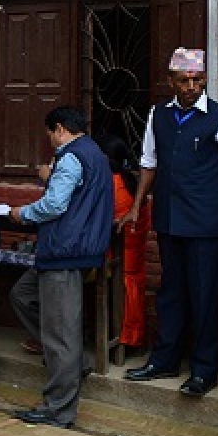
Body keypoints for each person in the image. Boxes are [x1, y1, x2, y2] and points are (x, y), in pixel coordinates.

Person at [121, 48, 218, 397]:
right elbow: (148, 162)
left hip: (206, 225)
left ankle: (204, 370)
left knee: (204, 296)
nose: (191, 86)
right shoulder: (159, 115)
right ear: (171, 81)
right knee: (170, 293)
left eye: (197, 80)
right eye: (184, 80)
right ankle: (164, 359)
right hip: (169, 219)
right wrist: (137, 205)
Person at [5, 107, 113, 428]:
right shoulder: (94, 154)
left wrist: (20, 213)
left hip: (64, 252)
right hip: (67, 250)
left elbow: (54, 204)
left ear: (60, 129)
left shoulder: (71, 157)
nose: (50, 140)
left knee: (61, 333)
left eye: (50, 133)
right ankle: (71, 363)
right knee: (22, 295)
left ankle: (58, 408)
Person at [96, 133, 150, 348]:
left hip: (117, 255)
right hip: (135, 252)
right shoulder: (132, 181)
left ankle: (122, 338)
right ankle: (131, 337)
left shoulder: (112, 184)